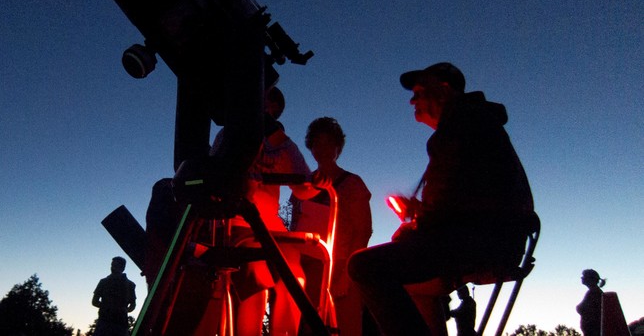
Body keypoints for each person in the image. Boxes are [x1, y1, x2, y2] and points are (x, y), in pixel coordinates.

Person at [347, 62, 535, 336]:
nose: (412, 99)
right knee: (412, 279)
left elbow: (443, 209)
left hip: (481, 241)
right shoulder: (476, 123)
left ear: (444, 91)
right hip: (499, 236)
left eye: (420, 91)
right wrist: (421, 214)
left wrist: (415, 223)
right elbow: (460, 198)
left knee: (363, 265)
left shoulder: (458, 128)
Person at [219, 86, 311, 336]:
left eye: (269, 110)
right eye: (261, 106)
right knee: (257, 285)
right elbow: (215, 175)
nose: (264, 113)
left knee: (296, 281)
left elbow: (303, 187)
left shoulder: (282, 143)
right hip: (238, 222)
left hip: (271, 225)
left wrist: (319, 182)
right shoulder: (228, 136)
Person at [289, 117, 372, 336]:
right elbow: (294, 226)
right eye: (318, 143)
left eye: (329, 143)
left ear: (338, 148)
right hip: (307, 268)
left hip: (341, 267)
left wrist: (346, 274)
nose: (323, 149)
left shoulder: (353, 184)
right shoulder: (302, 186)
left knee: (346, 327)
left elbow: (363, 231)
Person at [92, 256, 136, 336]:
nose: (112, 268)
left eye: (116, 266)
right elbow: (94, 301)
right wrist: (107, 307)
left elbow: (133, 304)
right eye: (112, 265)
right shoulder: (103, 282)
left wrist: (124, 310)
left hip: (120, 323)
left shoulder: (130, 285)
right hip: (104, 322)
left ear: (122, 268)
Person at [576, 269, 606, 336]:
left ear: (590, 279)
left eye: (583, 276)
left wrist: (578, 308)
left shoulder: (594, 292)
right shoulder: (594, 292)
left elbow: (585, 309)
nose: (581, 278)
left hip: (593, 331)